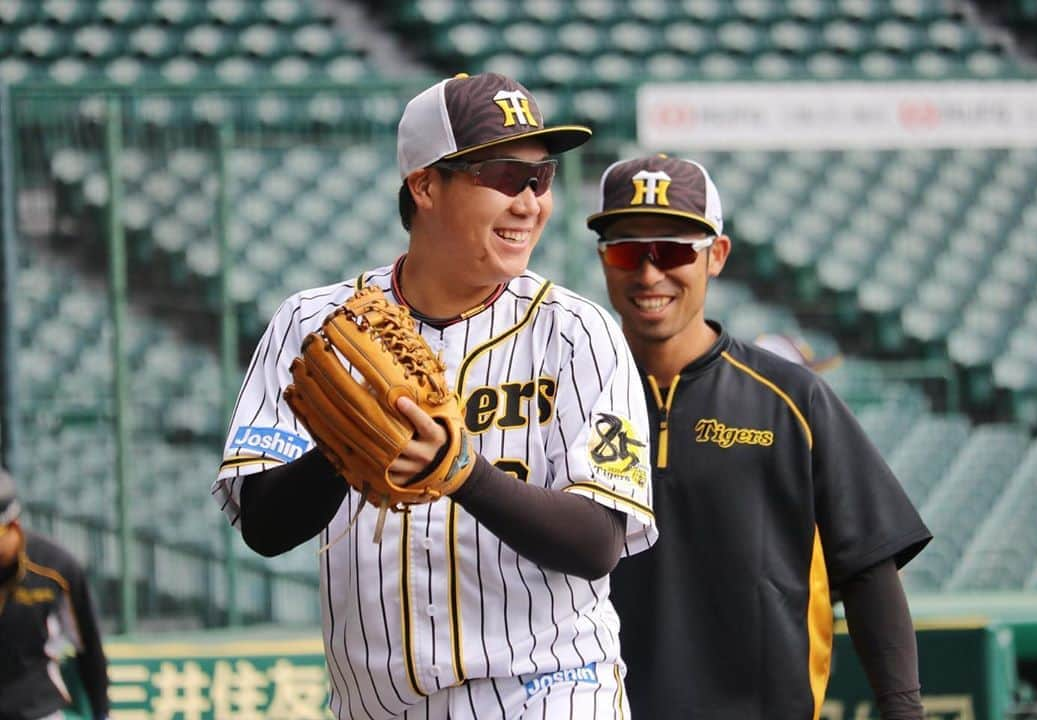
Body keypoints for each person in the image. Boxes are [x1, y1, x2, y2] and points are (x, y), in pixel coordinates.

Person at [212, 72, 657, 720]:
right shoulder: (315, 325)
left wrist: (461, 473)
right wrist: (347, 447)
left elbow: (597, 543)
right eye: (505, 176)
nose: (530, 201)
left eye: (542, 179)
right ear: (425, 184)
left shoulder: (577, 332)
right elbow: (263, 524)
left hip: (549, 695)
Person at [587, 154, 932, 720]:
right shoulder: (571, 395)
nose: (650, 274)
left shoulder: (793, 398)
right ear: (604, 260)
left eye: (673, 250)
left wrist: (903, 708)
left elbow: (869, 565)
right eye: (628, 250)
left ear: (716, 256)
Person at [0, 467, 110, 720]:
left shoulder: (55, 567)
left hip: (37, 709)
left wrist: (101, 712)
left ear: (13, 523)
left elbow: (89, 647)